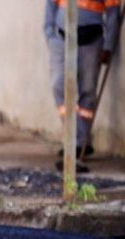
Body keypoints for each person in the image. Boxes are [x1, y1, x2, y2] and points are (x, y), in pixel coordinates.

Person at [44, 0, 121, 173]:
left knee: (88, 90)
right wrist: (49, 34)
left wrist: (108, 46)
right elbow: (50, 4)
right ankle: (75, 139)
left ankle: (79, 144)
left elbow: (113, 13)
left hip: (91, 40)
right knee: (59, 85)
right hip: (61, 37)